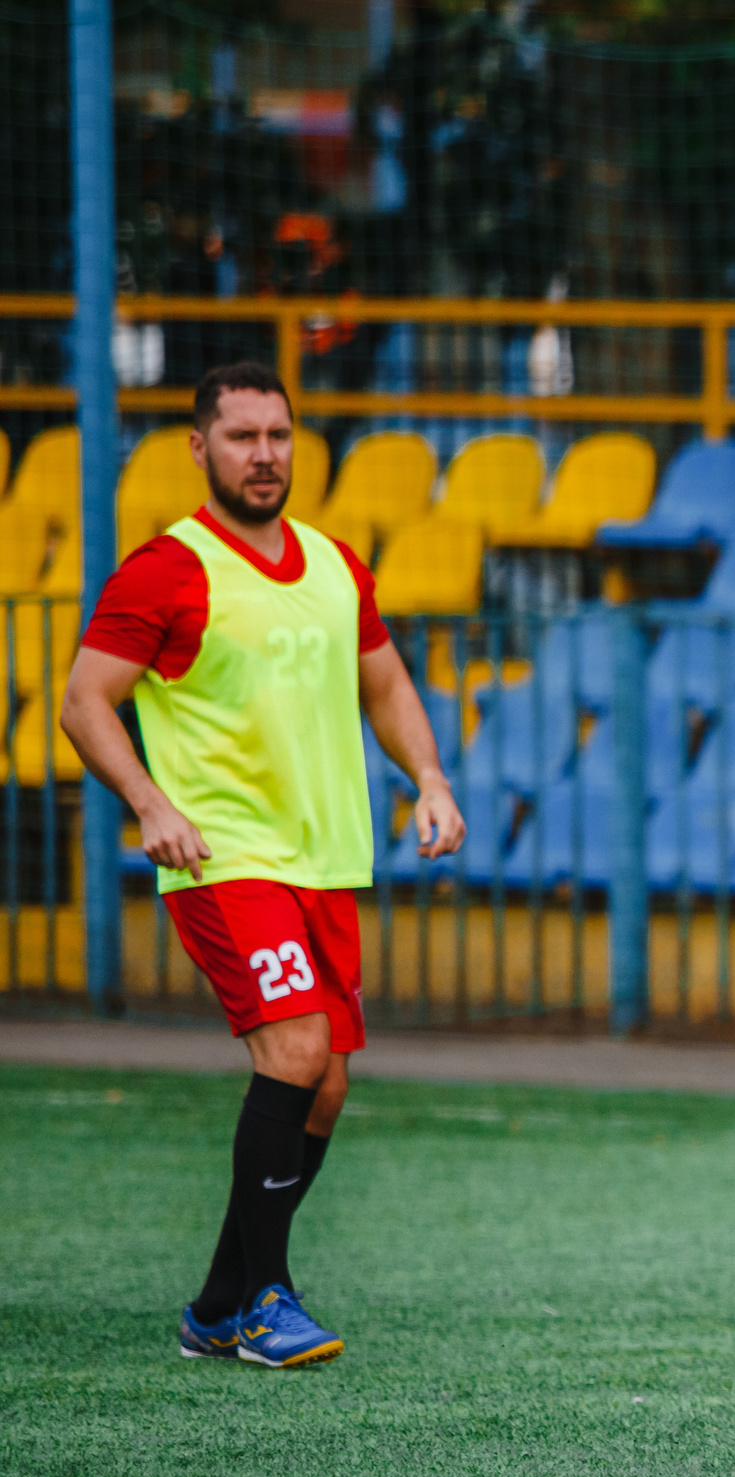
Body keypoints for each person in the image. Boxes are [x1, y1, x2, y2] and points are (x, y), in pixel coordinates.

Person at [58, 362, 464, 1368]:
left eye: (278, 435)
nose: (265, 455)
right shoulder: (167, 569)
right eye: (242, 437)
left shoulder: (333, 565)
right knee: (293, 1050)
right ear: (200, 449)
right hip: (225, 857)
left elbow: (385, 683)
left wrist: (430, 778)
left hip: (325, 860)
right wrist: (150, 802)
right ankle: (266, 1302)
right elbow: (83, 700)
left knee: (325, 1085)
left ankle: (217, 1303)